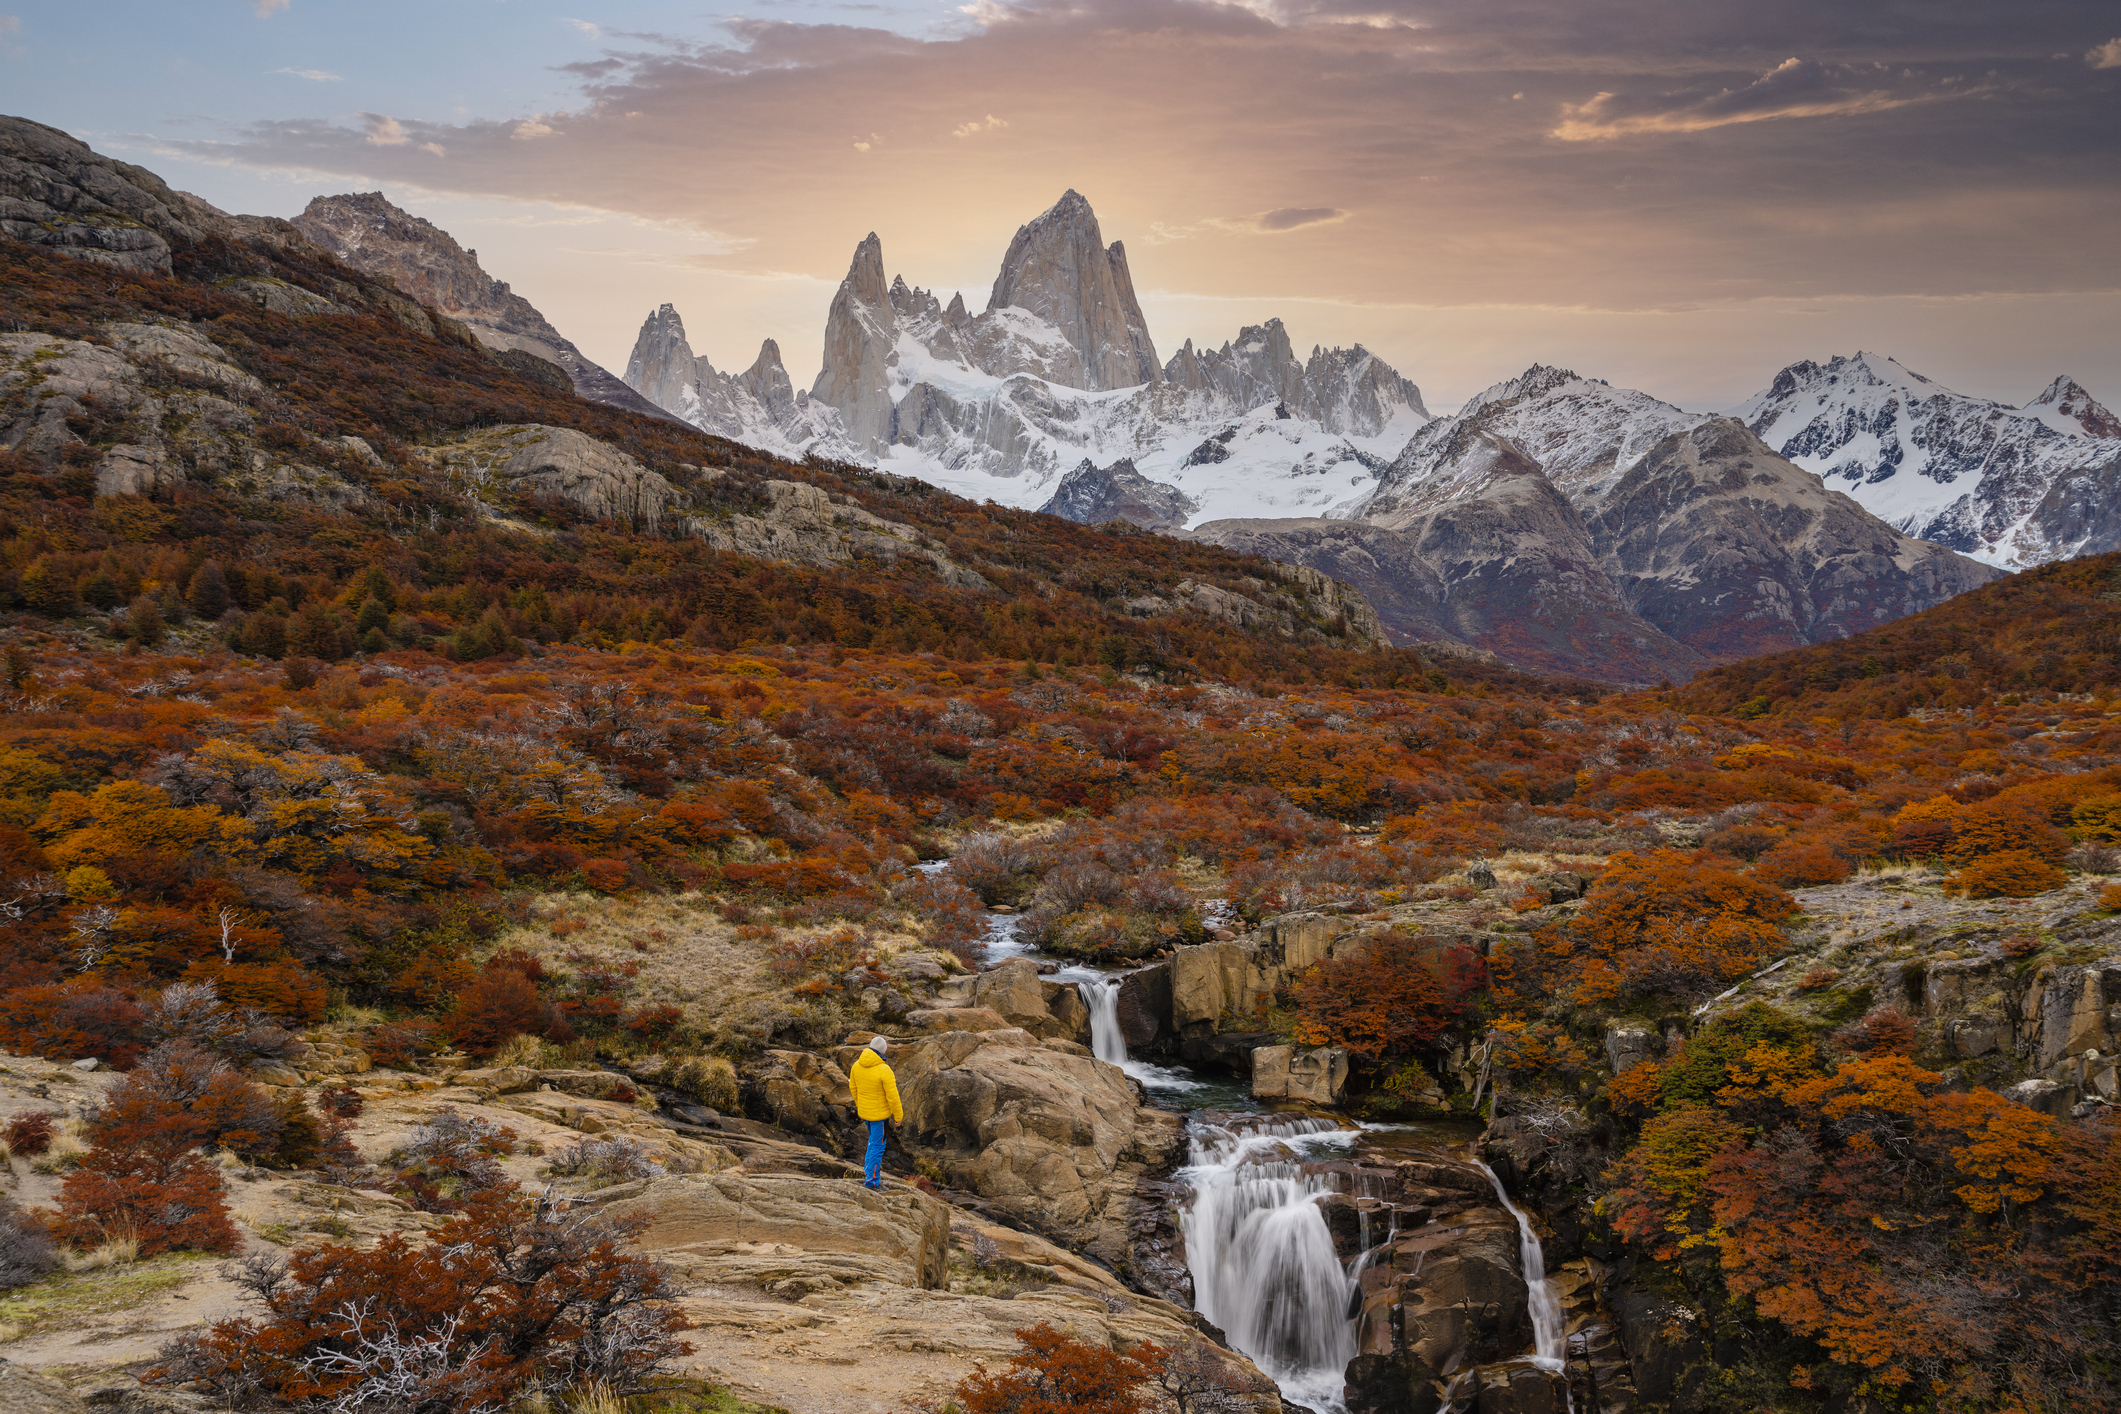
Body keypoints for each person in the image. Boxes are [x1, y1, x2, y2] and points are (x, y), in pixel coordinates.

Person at [849, 1034, 902, 1189]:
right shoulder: (884, 1070)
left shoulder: (856, 1065)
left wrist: (861, 1105)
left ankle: (868, 1173)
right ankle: (872, 1181)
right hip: (880, 1117)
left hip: (866, 1113)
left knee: (873, 1143)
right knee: (877, 1147)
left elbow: (853, 1088)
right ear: (883, 1051)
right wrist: (898, 1116)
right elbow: (893, 1097)